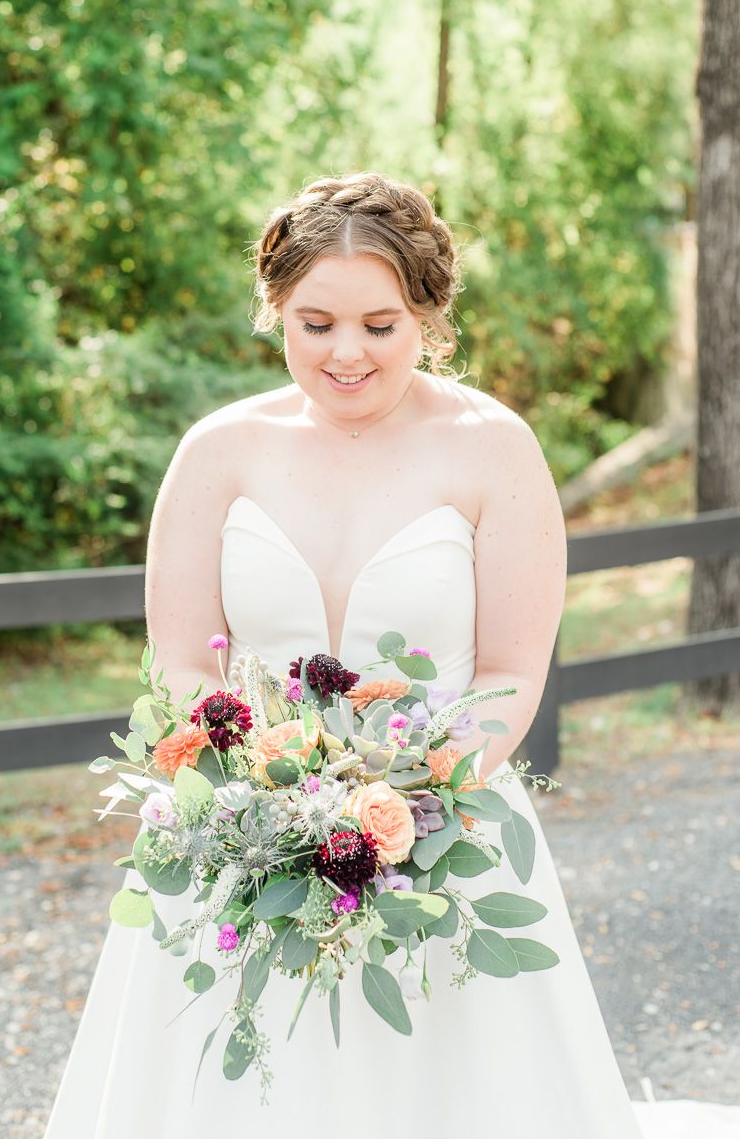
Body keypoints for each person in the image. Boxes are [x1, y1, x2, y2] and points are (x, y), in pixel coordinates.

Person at [41, 171, 736, 1137]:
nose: (345, 353)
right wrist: (265, 796)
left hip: (447, 829)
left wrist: (413, 801)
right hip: (241, 834)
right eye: (314, 322)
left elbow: (508, 671)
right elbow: (184, 670)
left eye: (379, 324)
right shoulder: (216, 452)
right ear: (274, 310)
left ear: (426, 315)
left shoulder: (492, 448)